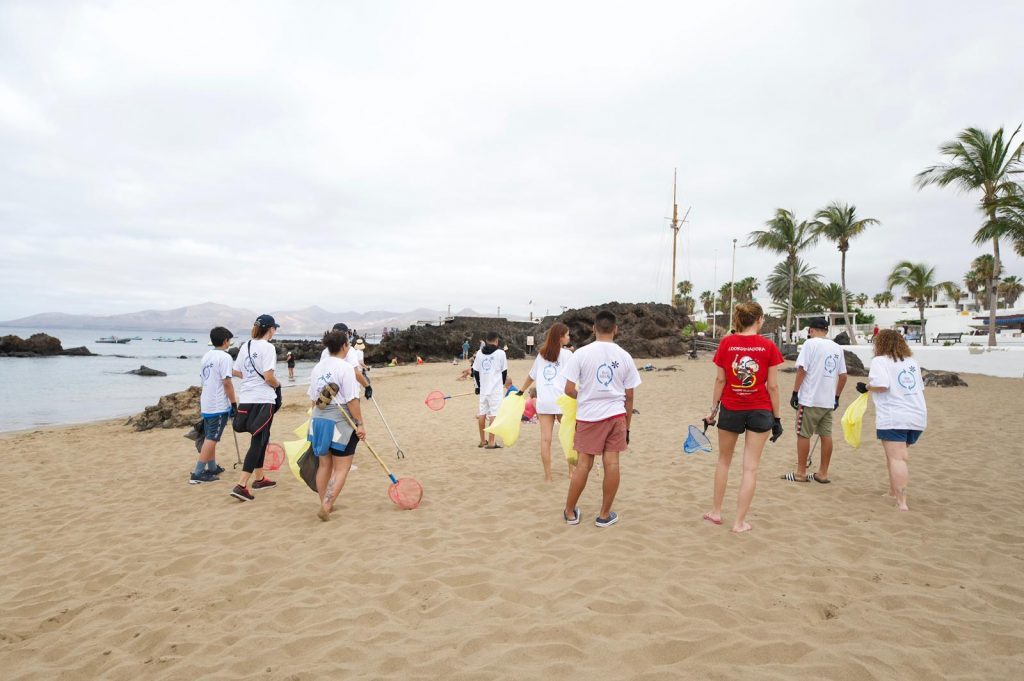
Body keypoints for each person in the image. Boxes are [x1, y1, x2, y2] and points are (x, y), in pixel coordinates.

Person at [703, 302, 784, 533]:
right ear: (759, 320)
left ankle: (716, 512)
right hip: (760, 409)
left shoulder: (727, 343)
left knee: (724, 461)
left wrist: (713, 411)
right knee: (750, 468)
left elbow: (720, 380)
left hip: (732, 407)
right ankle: (739, 522)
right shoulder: (768, 346)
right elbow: (773, 386)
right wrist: (777, 419)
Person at [562, 311, 641, 528]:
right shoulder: (625, 356)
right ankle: (604, 515)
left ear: (594, 328)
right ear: (615, 329)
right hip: (616, 415)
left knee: (583, 465)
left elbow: (568, 389)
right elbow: (630, 396)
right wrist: (627, 427)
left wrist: (584, 396)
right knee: (612, 464)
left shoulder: (581, 354)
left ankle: (570, 512)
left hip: (589, 416)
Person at [856, 329, 927, 511]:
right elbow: (919, 388)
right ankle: (893, 491)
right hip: (917, 415)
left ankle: (902, 502)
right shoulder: (911, 362)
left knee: (898, 458)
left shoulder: (880, 361)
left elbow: (881, 385)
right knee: (894, 455)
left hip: (894, 415)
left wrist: (866, 387)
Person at [307, 330, 366, 521]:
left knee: (324, 465)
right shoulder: (345, 368)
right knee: (341, 467)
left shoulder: (317, 367)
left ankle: (325, 503)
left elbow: (313, 399)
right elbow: (352, 400)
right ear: (344, 346)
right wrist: (360, 424)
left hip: (318, 419)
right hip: (339, 422)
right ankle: (326, 505)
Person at [783, 317, 847, 483]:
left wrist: (795, 393)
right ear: (826, 330)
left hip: (810, 399)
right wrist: (836, 397)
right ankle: (823, 473)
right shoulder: (837, 347)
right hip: (828, 401)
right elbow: (843, 376)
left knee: (803, 434)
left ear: (811, 330)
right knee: (826, 435)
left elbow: (802, 370)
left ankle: (801, 472)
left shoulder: (809, 344)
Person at [229, 315, 282, 502]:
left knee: (262, 438)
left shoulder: (246, 345)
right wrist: (278, 384)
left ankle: (259, 479)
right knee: (258, 441)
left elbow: (236, 371)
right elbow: (269, 377)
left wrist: (250, 379)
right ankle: (241, 485)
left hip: (246, 398)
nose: (275, 331)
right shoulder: (268, 347)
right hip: (263, 400)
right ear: (270, 329)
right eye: (274, 328)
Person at [518, 322, 573, 482]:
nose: (569, 337)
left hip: (544, 402)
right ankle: (571, 472)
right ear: (560, 337)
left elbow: (531, 376)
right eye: (567, 335)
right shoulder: (568, 355)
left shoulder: (541, 355)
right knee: (569, 437)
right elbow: (575, 376)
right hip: (562, 401)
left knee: (545, 440)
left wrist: (521, 390)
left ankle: (548, 477)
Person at [191, 326, 237, 484]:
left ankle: (212, 467)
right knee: (212, 438)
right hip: (218, 405)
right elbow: (227, 382)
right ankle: (197, 473)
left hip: (206, 402)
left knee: (210, 436)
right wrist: (234, 403)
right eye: (229, 340)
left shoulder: (207, 356)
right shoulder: (225, 357)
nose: (229, 343)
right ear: (225, 341)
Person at [472, 331, 510, 448]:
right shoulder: (501, 353)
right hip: (495, 390)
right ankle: (491, 441)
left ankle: (482, 440)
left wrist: (478, 387)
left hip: (484, 389)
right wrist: (501, 384)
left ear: (486, 340)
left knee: (482, 413)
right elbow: (504, 372)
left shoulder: (479, 353)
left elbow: (475, 372)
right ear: (496, 341)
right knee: (494, 414)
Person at [320, 322, 372, 398]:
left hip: (329, 392)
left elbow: (322, 371)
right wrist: (367, 387)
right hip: (348, 392)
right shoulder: (350, 350)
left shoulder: (325, 351)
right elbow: (355, 372)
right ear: (346, 335)